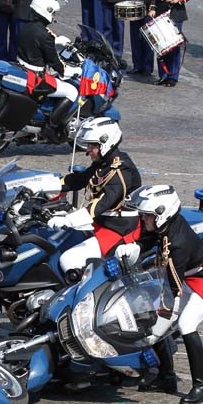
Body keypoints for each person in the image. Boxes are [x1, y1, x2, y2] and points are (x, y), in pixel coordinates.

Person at [116, 185, 203, 404]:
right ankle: (166, 378)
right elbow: (150, 239)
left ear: (161, 215)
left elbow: (172, 289)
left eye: (147, 216)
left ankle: (202, 386)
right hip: (189, 276)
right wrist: (134, 247)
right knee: (158, 319)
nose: (143, 220)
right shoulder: (166, 225)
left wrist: (158, 324)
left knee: (185, 324)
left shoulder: (178, 244)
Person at [48, 117, 142, 281]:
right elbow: (80, 179)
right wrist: (43, 184)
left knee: (68, 259)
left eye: (92, 145)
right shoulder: (105, 163)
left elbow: (100, 205)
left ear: (105, 143)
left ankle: (82, 303)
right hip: (100, 223)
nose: (88, 150)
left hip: (117, 230)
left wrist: (68, 220)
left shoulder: (120, 171)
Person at [16, 0, 79, 143]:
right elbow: (54, 62)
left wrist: (56, 41)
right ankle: (50, 127)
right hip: (36, 77)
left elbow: (37, 43)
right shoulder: (44, 35)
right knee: (72, 91)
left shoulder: (28, 27)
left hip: (22, 68)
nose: (54, 15)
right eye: (53, 12)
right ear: (47, 10)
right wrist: (70, 71)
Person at [150, 0, 197, 87]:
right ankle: (163, 74)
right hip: (162, 10)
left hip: (176, 11)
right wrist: (153, 7)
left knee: (174, 45)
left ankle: (173, 76)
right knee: (161, 44)